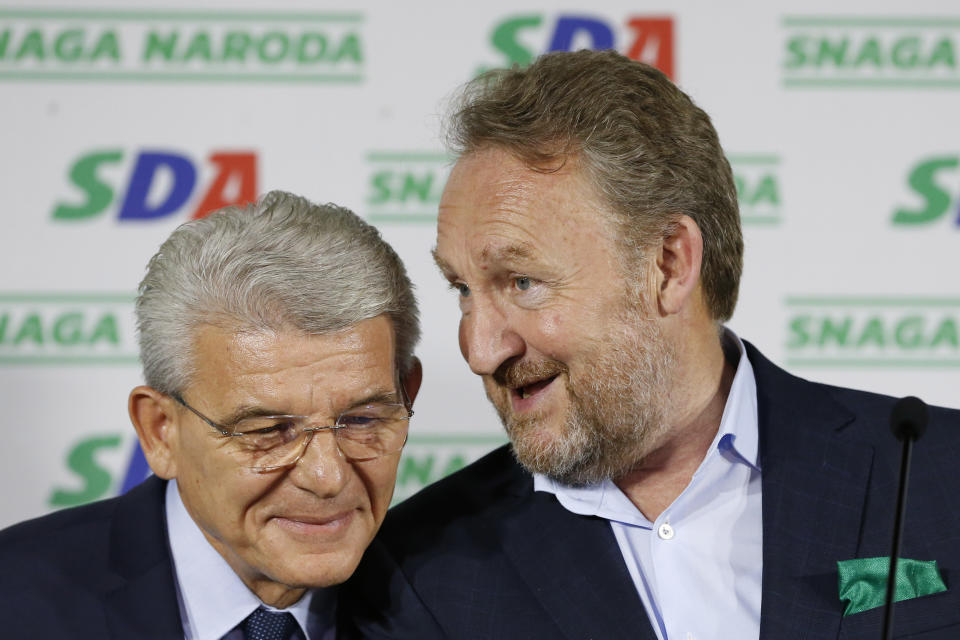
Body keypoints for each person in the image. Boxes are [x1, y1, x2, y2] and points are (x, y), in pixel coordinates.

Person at [345, 50, 960, 639]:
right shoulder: (420, 576)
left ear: (668, 265)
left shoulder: (939, 474)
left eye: (522, 281)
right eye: (462, 289)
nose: (480, 350)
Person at [0, 191, 422, 639]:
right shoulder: (15, 601)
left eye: (362, 420)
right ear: (161, 432)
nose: (327, 477)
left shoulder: (454, 598)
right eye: (270, 430)